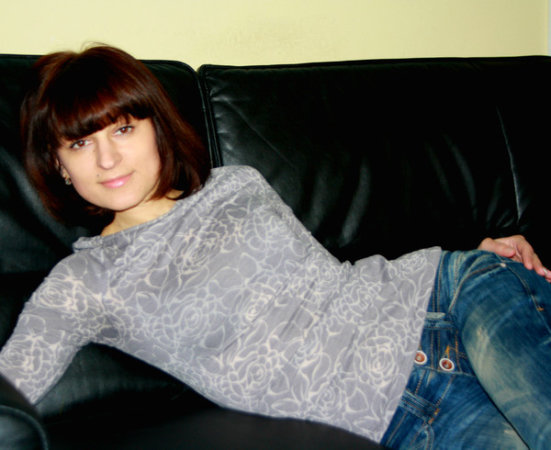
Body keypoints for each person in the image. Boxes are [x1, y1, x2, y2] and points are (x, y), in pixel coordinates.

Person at [0, 45, 549, 449]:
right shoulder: (84, 282)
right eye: (80, 143)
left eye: (123, 129)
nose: (107, 159)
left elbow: (329, 273)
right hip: (403, 417)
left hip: (455, 296)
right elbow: (12, 386)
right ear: (60, 166)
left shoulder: (237, 183)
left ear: (156, 129)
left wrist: (472, 248)